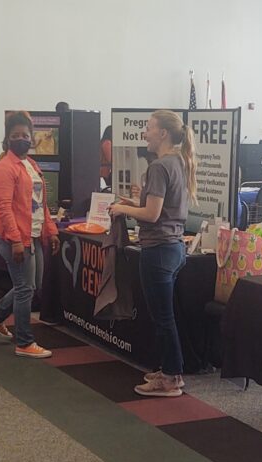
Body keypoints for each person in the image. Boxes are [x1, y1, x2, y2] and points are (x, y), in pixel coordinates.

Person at [108, 109, 197, 397]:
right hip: (173, 247)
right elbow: (161, 208)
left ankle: (171, 378)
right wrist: (133, 201)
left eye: (148, 128)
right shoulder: (179, 162)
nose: (144, 133)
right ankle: (172, 369)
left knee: (162, 318)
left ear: (162, 133)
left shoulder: (159, 166)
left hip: (158, 249)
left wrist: (123, 208)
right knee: (166, 316)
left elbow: (152, 213)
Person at [0, 111, 61, 359]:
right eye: (15, 135)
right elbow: (4, 207)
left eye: (25, 135)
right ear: (7, 139)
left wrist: (51, 231)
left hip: (33, 235)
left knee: (28, 286)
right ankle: (24, 342)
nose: (21, 139)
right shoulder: (4, 168)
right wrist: (16, 240)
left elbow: (41, 204)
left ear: (32, 137)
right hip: (14, 238)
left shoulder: (31, 165)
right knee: (25, 288)